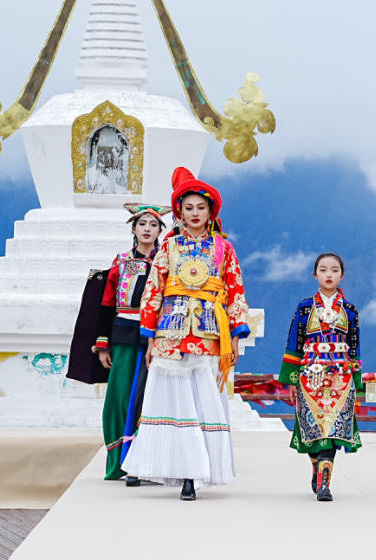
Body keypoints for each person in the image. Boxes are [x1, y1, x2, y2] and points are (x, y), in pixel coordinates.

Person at [122, 167, 251, 501]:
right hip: (171, 333)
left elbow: (235, 291)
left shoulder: (224, 248)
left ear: (211, 212)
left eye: (200, 208)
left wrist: (236, 337)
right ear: (179, 211)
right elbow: (153, 290)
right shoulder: (168, 247)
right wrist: (150, 339)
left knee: (202, 401)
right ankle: (181, 469)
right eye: (189, 207)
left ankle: (197, 472)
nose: (194, 213)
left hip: (209, 333)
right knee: (173, 402)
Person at [95, 203, 169, 483]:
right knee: (121, 396)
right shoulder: (121, 262)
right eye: (143, 224)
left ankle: (149, 462)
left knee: (152, 397)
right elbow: (106, 304)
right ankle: (121, 461)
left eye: (153, 224)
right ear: (134, 229)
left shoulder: (167, 263)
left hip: (158, 338)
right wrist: (103, 344)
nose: (148, 229)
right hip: (124, 335)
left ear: (160, 231)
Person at [280, 253, 361, 502]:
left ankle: (325, 483)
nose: (329, 274)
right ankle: (317, 466)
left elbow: (355, 347)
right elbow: (294, 342)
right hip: (310, 375)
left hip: (341, 376)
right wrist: (291, 378)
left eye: (334, 270)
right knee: (313, 427)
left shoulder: (350, 310)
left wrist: (357, 379)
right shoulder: (305, 307)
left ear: (342, 275)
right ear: (315, 275)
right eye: (323, 270)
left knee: (332, 429)